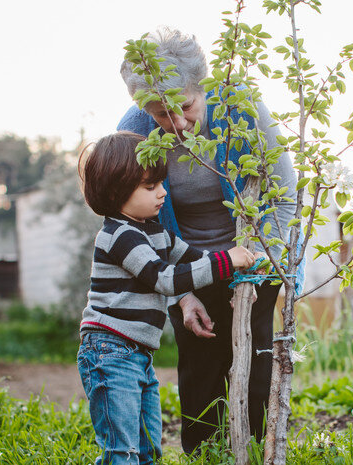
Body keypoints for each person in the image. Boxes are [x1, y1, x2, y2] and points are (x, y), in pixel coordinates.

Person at [117, 28, 304, 453]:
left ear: (202, 87)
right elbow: (137, 222)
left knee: (254, 357)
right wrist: (182, 294)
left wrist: (256, 269)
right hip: (186, 264)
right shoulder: (133, 134)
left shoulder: (242, 109)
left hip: (254, 254)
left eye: (185, 106)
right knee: (199, 364)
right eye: (162, 115)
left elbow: (283, 194)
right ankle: (203, 455)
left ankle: (254, 451)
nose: (177, 124)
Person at [76, 131, 256, 465]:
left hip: (137, 355)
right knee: (122, 447)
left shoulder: (155, 231)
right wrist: (226, 260)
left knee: (148, 449)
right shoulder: (118, 236)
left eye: (161, 183)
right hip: (109, 352)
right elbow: (165, 279)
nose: (162, 193)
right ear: (117, 190)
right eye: (150, 187)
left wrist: (238, 275)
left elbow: (193, 257)